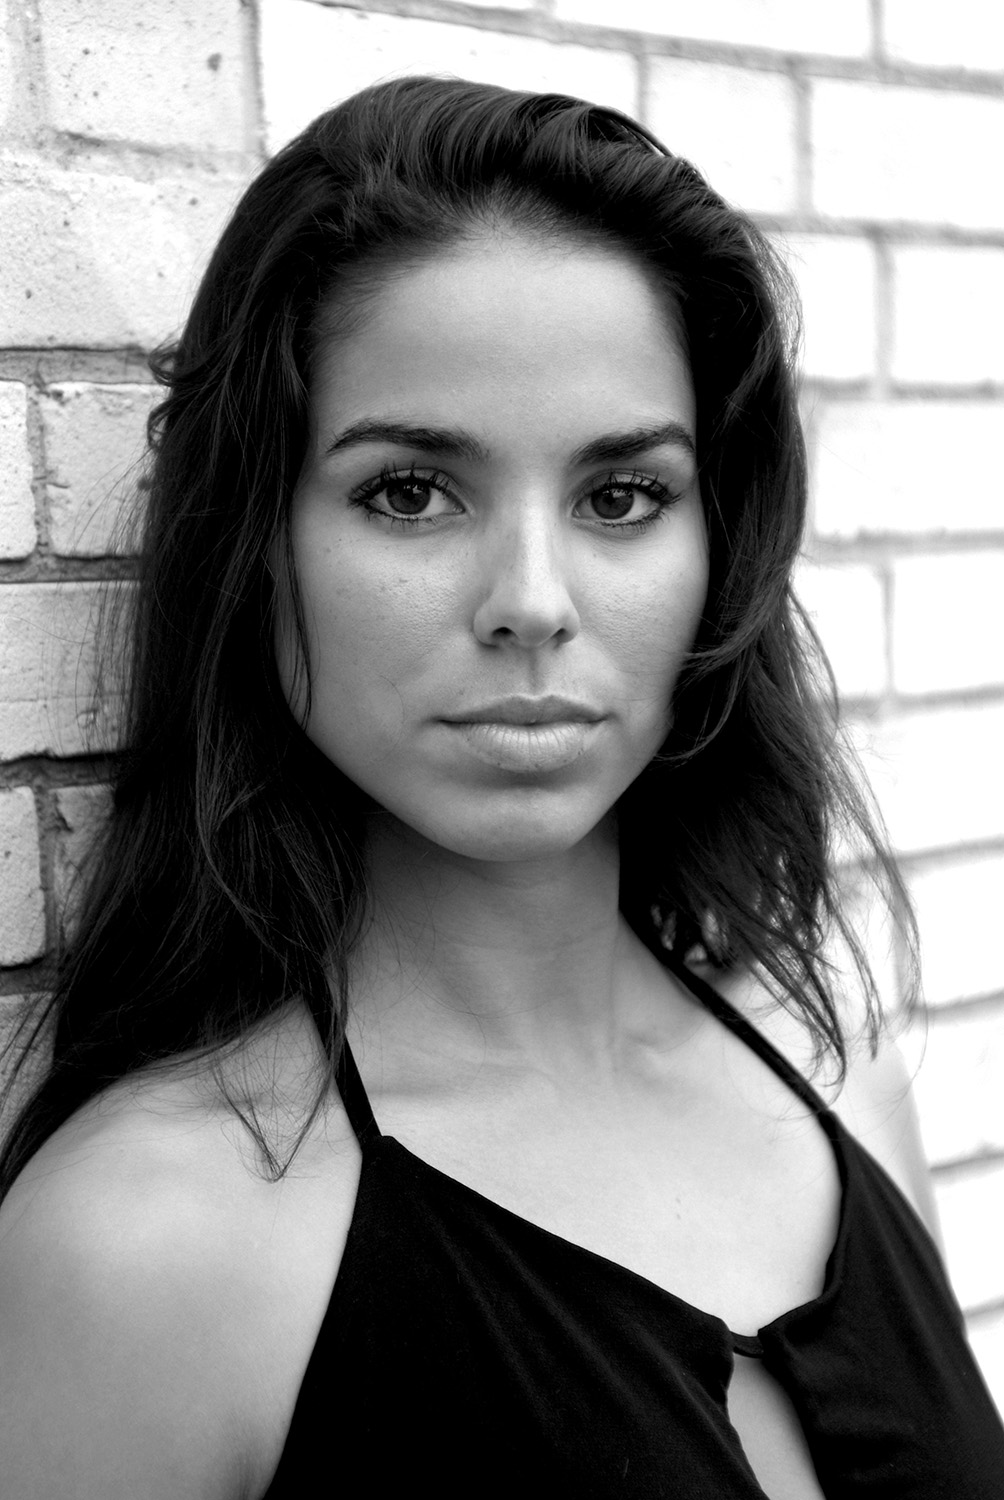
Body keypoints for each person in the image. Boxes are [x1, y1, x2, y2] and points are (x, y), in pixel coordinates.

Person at [0, 75, 1000, 1499]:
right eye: (411, 491)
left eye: (621, 496)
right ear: (257, 539)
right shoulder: (147, 1247)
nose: (533, 601)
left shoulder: (836, 1064)